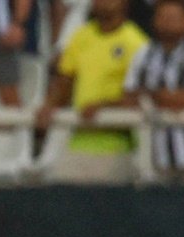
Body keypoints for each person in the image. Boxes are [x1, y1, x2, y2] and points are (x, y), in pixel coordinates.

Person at [35, 0, 149, 183]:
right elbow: (64, 81)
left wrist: (103, 107)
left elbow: (140, 97)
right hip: (79, 140)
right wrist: (49, 105)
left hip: (117, 145)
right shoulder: (81, 36)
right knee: (59, 190)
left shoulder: (136, 42)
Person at [123, 0, 184, 180]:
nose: (167, 22)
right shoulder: (143, 52)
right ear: (153, 21)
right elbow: (128, 97)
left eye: (174, 17)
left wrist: (151, 96)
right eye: (163, 16)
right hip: (155, 158)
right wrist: (168, 98)